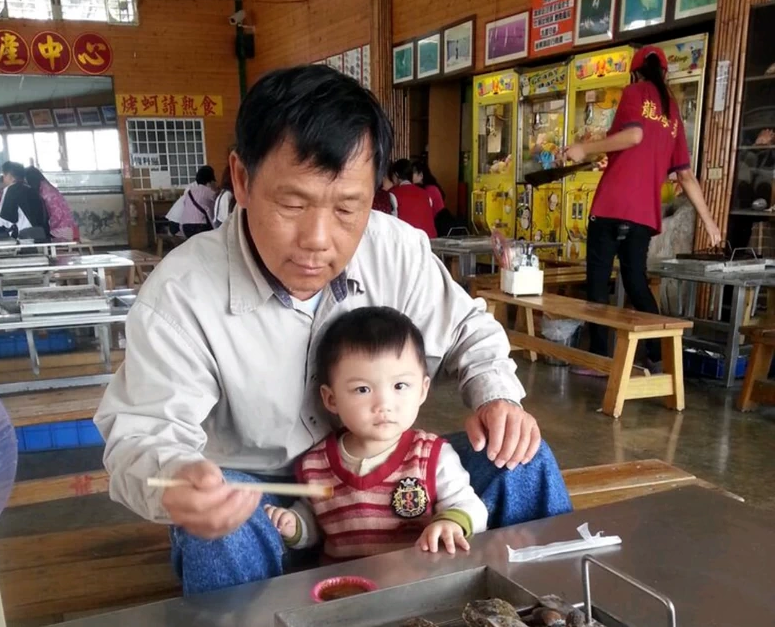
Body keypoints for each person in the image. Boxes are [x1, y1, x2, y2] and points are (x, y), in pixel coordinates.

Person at [95, 65, 570, 597]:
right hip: (266, 504)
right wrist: (178, 479)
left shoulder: (394, 249)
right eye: (293, 204)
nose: (318, 239)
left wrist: (497, 397)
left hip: (388, 481)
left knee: (521, 460)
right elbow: (140, 435)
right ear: (242, 179)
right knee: (220, 531)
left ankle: (549, 621)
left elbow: (467, 329)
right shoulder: (182, 293)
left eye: (348, 207)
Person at [265, 307, 488, 558]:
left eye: (400, 386)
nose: (384, 404)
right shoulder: (316, 464)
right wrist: (295, 525)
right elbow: (314, 522)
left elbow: (470, 506)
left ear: (422, 390)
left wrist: (451, 522)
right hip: (345, 581)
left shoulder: (432, 457)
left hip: (418, 576)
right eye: (362, 389)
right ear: (331, 399)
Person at [564, 46, 722, 364]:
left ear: (636, 73)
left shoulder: (634, 92)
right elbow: (686, 175)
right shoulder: (673, 112)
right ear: (664, 73)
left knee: (598, 283)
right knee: (636, 281)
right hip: (643, 215)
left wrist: (585, 148)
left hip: (610, 206)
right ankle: (658, 354)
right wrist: (711, 224)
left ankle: (598, 359)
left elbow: (634, 136)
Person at [0, 162, 49, 241]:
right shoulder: (31, 189)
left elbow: (4, 219)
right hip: (41, 234)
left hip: (24, 236)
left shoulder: (11, 189)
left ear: (9, 176)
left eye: (4, 175)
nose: (4, 179)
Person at [25, 166, 79, 241]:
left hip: (63, 230)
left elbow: (57, 215)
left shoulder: (45, 193)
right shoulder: (46, 187)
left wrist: (47, 230)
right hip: (69, 228)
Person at [389, 158, 437, 238]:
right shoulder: (426, 194)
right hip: (430, 239)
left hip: (408, 240)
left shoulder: (393, 194)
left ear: (396, 175)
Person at [180, 165, 217, 237]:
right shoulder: (210, 192)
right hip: (200, 226)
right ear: (210, 180)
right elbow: (214, 211)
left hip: (185, 226)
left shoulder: (189, 192)